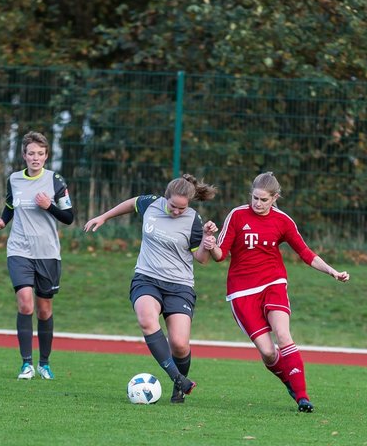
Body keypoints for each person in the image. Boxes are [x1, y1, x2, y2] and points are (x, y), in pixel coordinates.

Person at [207, 172, 349, 412]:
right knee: (268, 353)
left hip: (273, 283)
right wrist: (211, 246)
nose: (258, 203)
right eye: (255, 198)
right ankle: (288, 380)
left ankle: (303, 397)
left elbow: (306, 253)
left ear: (275, 198)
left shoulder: (283, 221)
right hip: (241, 292)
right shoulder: (237, 215)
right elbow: (221, 256)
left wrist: (331, 271)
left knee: (283, 336)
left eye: (263, 200)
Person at [83, 174, 219, 403]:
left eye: (182, 208)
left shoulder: (194, 220)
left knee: (179, 344)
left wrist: (207, 241)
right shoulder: (151, 203)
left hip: (179, 286)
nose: (177, 212)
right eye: (173, 206)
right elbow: (131, 203)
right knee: (147, 320)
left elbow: (202, 259)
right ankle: (177, 378)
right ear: (165, 198)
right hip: (147, 278)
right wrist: (104, 217)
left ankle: (178, 385)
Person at [0, 131, 75, 379]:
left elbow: (69, 218)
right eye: (31, 154)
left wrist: (48, 205)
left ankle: (44, 363)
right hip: (19, 250)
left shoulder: (55, 181)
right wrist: (2, 221)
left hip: (48, 253)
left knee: (44, 310)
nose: (35, 158)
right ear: (24, 156)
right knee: (25, 303)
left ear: (46, 156)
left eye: (40, 154)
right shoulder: (14, 179)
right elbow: (10, 206)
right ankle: (26, 364)